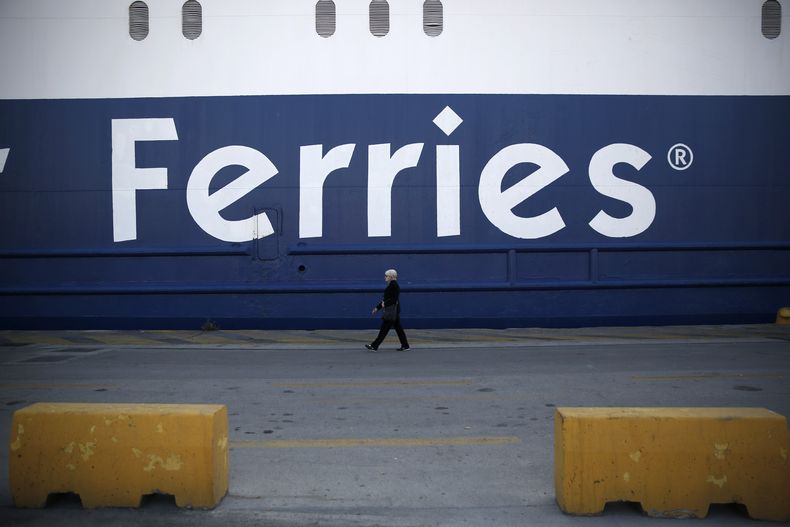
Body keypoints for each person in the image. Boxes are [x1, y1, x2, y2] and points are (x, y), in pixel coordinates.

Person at [366, 269, 410, 352]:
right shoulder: (392, 285)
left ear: (391, 276)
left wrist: (384, 305)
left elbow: (393, 299)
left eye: (386, 276)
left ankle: (374, 346)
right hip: (394, 311)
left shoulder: (394, 286)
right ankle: (405, 345)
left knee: (384, 329)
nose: (384, 277)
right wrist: (377, 308)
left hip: (391, 311)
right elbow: (386, 299)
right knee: (398, 329)